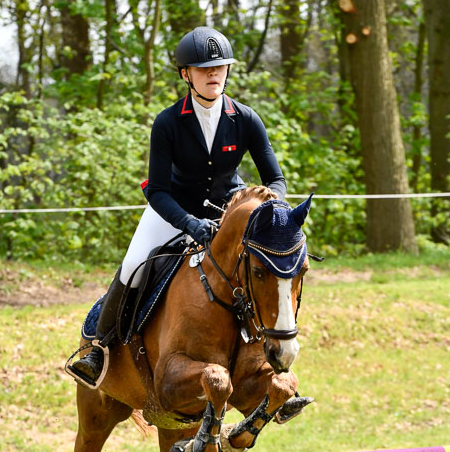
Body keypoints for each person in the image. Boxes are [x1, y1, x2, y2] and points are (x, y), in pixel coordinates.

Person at [68, 26, 287, 387]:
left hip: (226, 215)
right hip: (172, 210)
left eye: (219, 67)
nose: (214, 73)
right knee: (135, 264)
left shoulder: (246, 118)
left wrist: (270, 210)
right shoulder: (168, 122)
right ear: (186, 75)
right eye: (204, 68)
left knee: (265, 267)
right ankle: (98, 349)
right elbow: (157, 190)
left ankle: (270, 357)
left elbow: (275, 180)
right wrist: (188, 224)